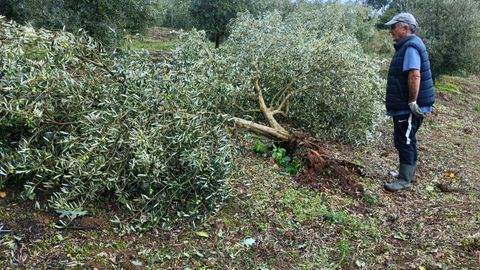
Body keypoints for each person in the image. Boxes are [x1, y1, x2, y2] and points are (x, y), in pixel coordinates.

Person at [383, 13, 435, 192]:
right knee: (406, 139)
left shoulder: (410, 47)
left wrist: (412, 102)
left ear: (405, 28)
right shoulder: (407, 46)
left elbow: (414, 75)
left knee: (403, 140)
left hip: (408, 106)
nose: (391, 30)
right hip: (404, 105)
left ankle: (404, 179)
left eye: (394, 26)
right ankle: (407, 174)